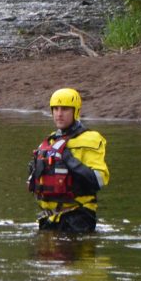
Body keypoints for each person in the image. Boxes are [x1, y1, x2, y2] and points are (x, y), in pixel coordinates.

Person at [27, 87, 108, 234]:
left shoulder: (90, 139)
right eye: (55, 109)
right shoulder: (49, 142)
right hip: (48, 219)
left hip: (78, 218)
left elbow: (99, 180)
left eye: (64, 109)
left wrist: (70, 160)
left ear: (75, 111)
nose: (59, 114)